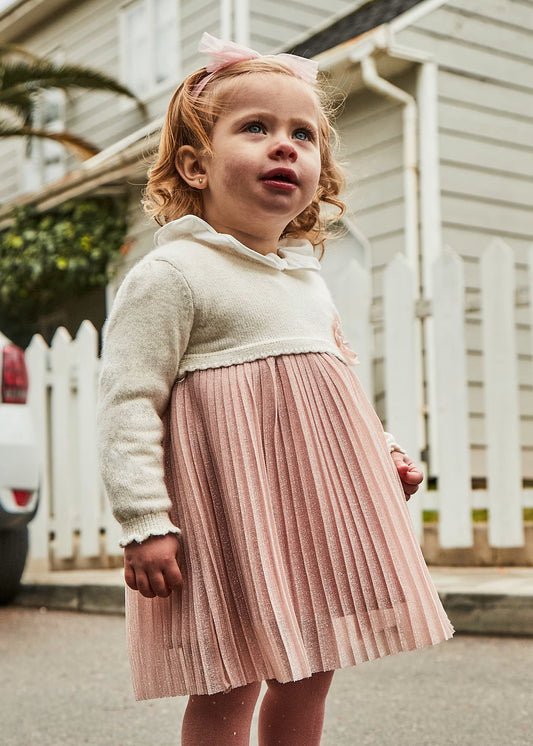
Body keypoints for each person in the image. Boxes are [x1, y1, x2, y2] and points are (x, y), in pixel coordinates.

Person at [97, 32, 454, 746]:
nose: (283, 145)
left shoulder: (303, 278)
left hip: (304, 510)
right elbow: (127, 401)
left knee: (311, 665)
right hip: (224, 517)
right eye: (255, 128)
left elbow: (334, 380)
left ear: (318, 172)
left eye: (302, 134)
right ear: (195, 165)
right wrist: (144, 520)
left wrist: (378, 449)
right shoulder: (174, 276)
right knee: (231, 675)